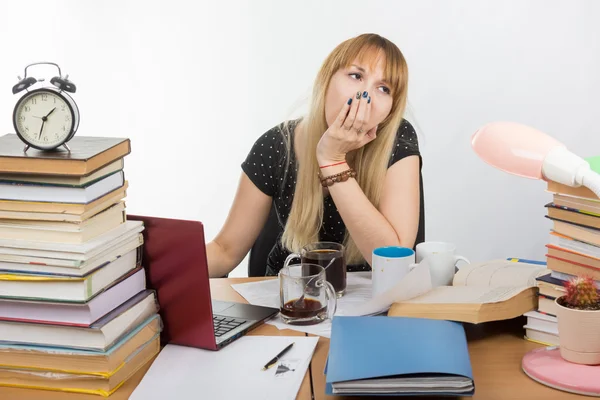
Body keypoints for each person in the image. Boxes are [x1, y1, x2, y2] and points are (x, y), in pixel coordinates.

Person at [207, 33, 423, 278]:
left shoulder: (399, 138)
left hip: (369, 303)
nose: (367, 96)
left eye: (383, 88)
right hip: (288, 300)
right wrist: (161, 267)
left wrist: (333, 160)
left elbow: (390, 261)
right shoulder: (276, 144)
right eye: (356, 75)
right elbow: (225, 251)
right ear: (327, 79)